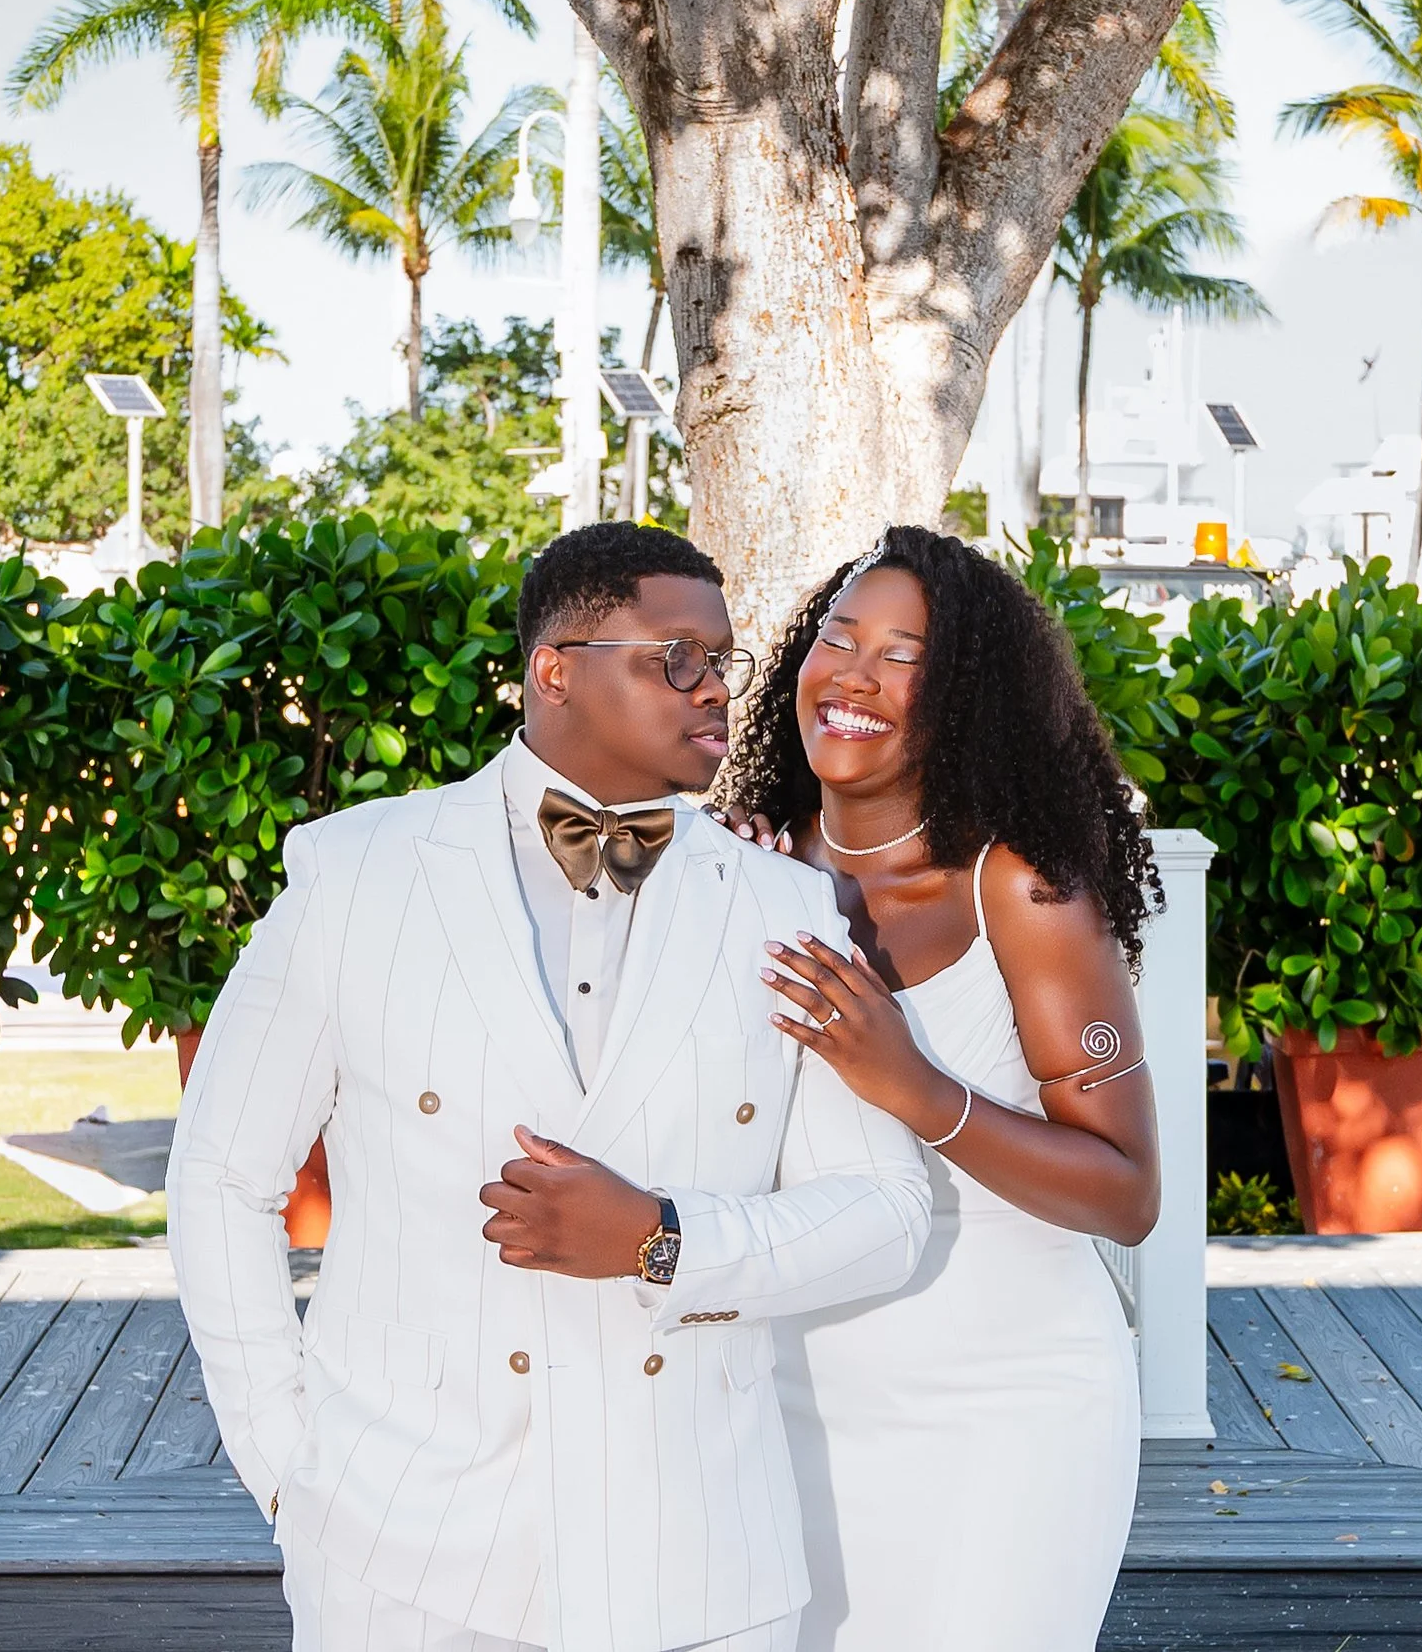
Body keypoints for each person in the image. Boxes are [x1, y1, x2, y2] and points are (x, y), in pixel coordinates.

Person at [167, 522, 933, 1652]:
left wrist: (661, 1241)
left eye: (725, 661)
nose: (716, 689)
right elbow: (220, 1177)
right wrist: (290, 1470)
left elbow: (887, 1213)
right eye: (679, 658)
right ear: (556, 668)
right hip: (404, 1553)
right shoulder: (354, 875)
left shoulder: (784, 908)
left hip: (698, 1565)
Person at [720, 524, 1163, 1652]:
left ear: (965, 696)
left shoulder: (1017, 889)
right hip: (784, 1398)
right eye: (838, 636)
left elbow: (1126, 1191)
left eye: (903, 656)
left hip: (1003, 1409)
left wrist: (917, 1086)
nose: (854, 675)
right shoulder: (737, 873)